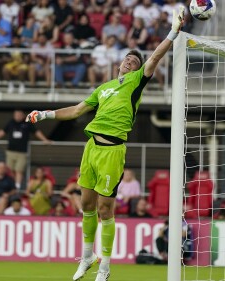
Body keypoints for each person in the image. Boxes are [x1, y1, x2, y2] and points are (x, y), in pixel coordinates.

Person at [25, 7, 185, 281]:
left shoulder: (136, 82)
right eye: (127, 60)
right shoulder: (104, 89)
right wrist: (45, 114)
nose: (129, 63)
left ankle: (105, 266)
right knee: (85, 205)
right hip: (91, 148)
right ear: (119, 63)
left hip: (112, 150)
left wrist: (173, 31)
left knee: (104, 209)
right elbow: (76, 110)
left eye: (134, 62)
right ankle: (88, 255)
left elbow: (155, 57)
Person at [0, 109, 51, 189]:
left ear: (22, 115)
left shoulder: (27, 123)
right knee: (10, 171)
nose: (17, 116)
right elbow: (3, 131)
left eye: (19, 115)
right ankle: (12, 186)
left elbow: (36, 132)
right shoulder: (11, 123)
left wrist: (44, 140)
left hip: (22, 152)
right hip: (11, 151)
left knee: (19, 170)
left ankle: (17, 187)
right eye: (16, 115)